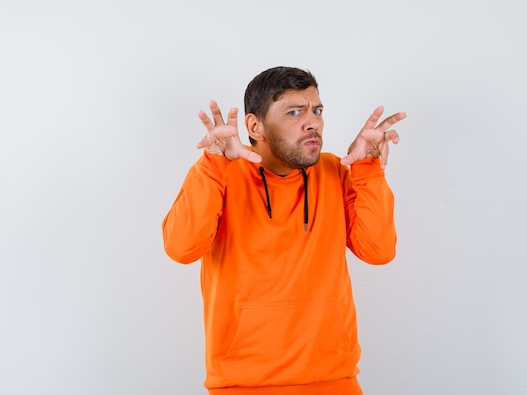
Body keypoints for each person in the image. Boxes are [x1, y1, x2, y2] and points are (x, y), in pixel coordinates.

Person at [162, 66, 405, 395]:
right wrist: (213, 164)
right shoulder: (221, 175)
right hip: (241, 385)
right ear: (254, 126)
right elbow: (181, 248)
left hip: (335, 381)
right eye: (295, 111)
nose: (313, 123)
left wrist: (369, 169)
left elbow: (378, 252)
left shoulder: (336, 171)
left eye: (317, 110)